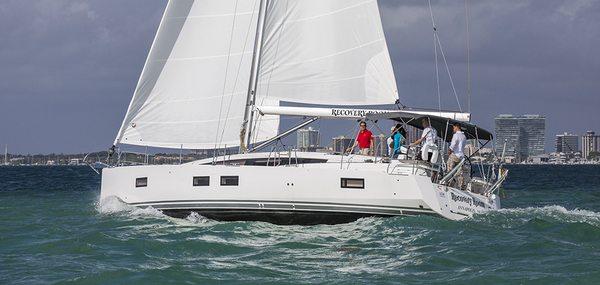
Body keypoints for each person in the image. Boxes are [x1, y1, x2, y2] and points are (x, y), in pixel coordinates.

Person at [447, 123, 467, 188]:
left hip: (455, 155)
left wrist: (449, 151)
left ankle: (449, 181)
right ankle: (461, 185)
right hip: (461, 157)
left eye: (453, 127)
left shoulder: (456, 135)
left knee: (449, 167)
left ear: (456, 127)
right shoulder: (464, 136)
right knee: (459, 172)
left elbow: (453, 145)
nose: (453, 129)